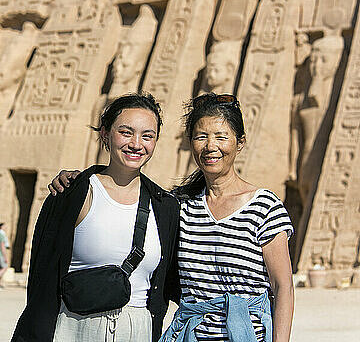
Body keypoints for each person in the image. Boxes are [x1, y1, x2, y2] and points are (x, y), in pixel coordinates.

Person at [49, 93, 295, 342]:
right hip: (191, 335)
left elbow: (283, 287)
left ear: (239, 143)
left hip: (247, 334)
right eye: (201, 137)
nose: (211, 146)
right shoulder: (178, 205)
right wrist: (79, 179)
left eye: (221, 137)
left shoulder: (264, 206)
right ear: (190, 143)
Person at [12, 93, 181, 342]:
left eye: (148, 135)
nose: (136, 144)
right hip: (75, 328)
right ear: (105, 134)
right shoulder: (72, 194)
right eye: (126, 132)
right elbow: (42, 278)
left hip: (137, 330)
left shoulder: (166, 206)